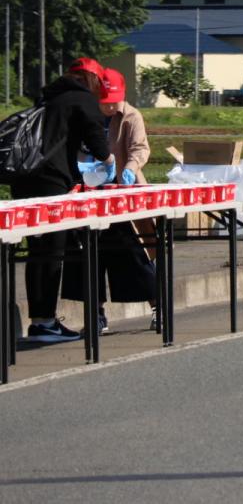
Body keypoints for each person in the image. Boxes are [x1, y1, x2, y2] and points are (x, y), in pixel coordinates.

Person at [14, 58, 115, 343]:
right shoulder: (82, 99)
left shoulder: (50, 96)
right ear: (92, 79)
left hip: (26, 180)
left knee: (38, 252)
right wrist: (109, 161)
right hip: (50, 182)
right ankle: (44, 324)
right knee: (51, 252)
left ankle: (40, 320)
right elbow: (97, 142)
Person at [62, 68, 156, 333]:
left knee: (136, 254)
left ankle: (157, 305)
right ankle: (97, 314)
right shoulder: (86, 115)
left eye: (114, 101)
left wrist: (130, 167)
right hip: (90, 194)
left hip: (123, 194)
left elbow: (140, 148)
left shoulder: (130, 116)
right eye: (105, 101)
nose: (110, 106)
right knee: (89, 257)